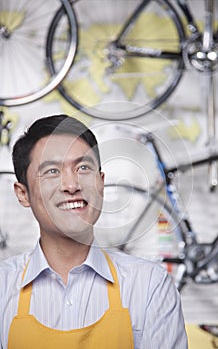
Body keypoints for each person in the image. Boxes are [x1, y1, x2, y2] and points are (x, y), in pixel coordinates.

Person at [0, 114, 188, 349]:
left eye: (83, 167)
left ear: (101, 182)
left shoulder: (150, 285)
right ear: (22, 194)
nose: (71, 185)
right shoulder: (3, 287)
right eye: (51, 171)